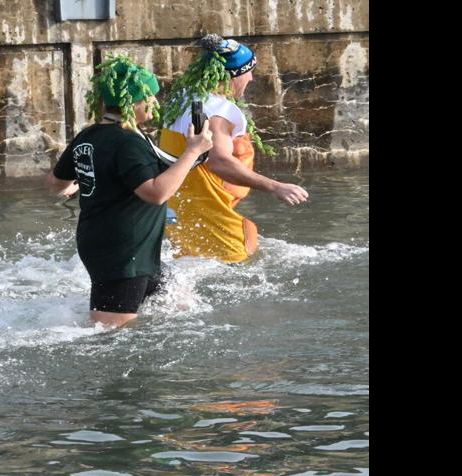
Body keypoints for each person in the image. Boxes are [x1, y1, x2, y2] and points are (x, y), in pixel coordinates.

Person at [45, 56, 213, 328]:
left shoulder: (89, 135)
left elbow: (56, 184)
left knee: (182, 302)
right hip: (123, 253)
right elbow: (156, 193)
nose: (156, 103)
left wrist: (80, 182)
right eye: (151, 97)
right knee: (111, 337)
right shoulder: (128, 143)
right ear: (132, 102)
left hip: (124, 248)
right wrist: (193, 150)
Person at [157, 34, 310, 263]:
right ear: (233, 75)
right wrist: (275, 186)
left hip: (177, 214)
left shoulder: (181, 100)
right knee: (240, 263)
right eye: (248, 71)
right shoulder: (219, 112)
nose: (250, 78)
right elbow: (219, 161)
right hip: (211, 219)